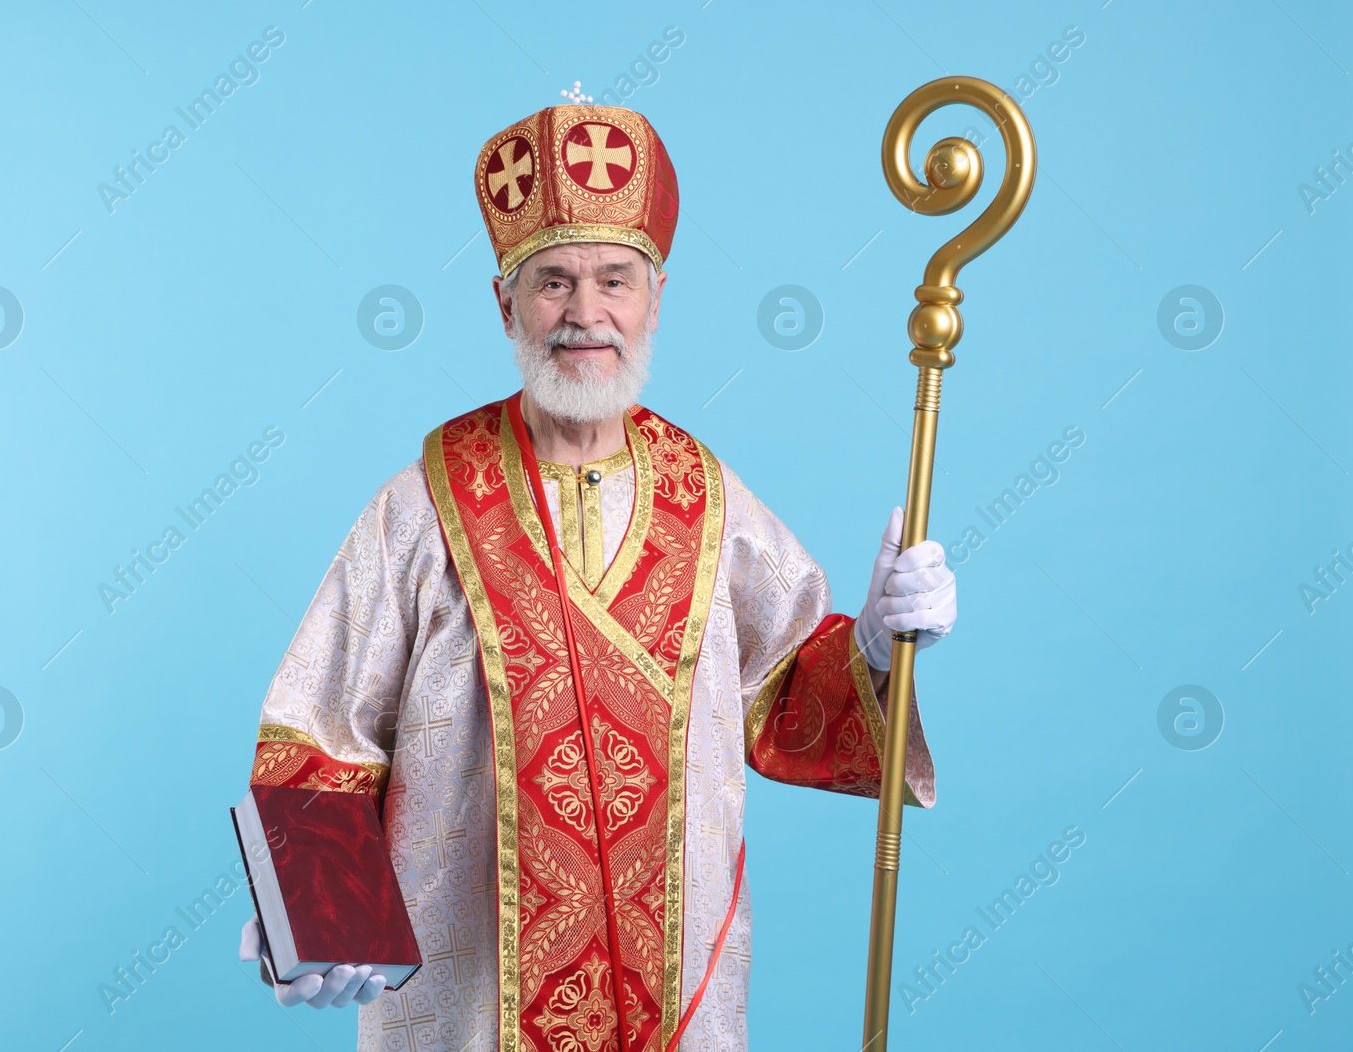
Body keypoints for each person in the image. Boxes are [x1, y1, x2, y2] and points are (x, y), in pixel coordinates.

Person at [237, 102, 955, 1052]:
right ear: (504, 303)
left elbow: (781, 694)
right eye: (554, 282)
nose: (586, 313)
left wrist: (871, 643)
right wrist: (317, 919)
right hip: (467, 1007)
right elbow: (322, 730)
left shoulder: (712, 499)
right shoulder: (422, 504)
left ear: (655, 298)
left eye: (615, 280)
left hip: (678, 992)